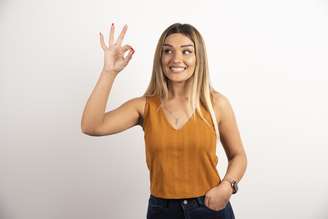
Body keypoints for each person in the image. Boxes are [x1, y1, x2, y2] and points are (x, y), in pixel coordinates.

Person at [81, 23, 247, 219]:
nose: (176, 58)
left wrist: (228, 186)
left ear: (198, 58)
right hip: (162, 211)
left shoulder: (216, 104)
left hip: (210, 207)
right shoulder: (144, 106)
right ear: (160, 58)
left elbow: (238, 156)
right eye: (168, 51)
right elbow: (91, 126)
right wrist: (109, 71)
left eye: (186, 51)